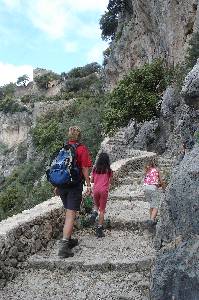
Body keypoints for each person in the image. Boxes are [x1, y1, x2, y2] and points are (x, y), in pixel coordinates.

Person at [55, 126, 92, 258]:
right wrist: (88, 185)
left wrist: (56, 186)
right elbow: (85, 169)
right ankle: (64, 247)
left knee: (68, 211)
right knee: (71, 215)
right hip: (74, 186)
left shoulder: (63, 148)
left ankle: (69, 239)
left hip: (62, 186)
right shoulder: (81, 149)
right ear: (79, 136)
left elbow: (58, 168)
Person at [90, 152, 113, 238]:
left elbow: (92, 180)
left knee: (96, 205)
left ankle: (94, 213)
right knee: (102, 210)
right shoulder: (109, 170)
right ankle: (99, 229)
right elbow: (111, 181)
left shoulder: (95, 169)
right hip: (104, 190)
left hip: (95, 190)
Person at [143, 160, 164, 226]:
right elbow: (161, 181)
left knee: (152, 204)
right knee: (156, 205)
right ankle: (152, 220)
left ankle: (151, 218)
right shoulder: (157, 170)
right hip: (153, 188)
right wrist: (164, 188)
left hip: (145, 188)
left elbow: (148, 180)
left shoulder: (147, 170)